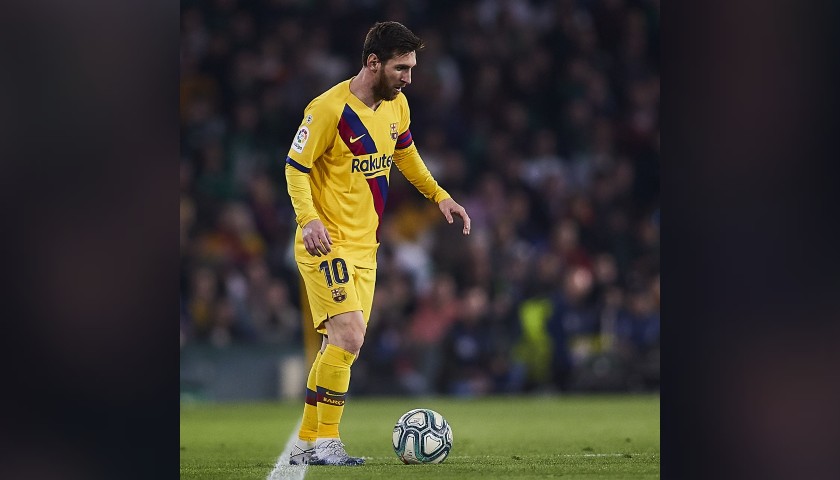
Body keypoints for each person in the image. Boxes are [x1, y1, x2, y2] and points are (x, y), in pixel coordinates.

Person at [283, 21, 471, 466]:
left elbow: (405, 154)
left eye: (411, 68)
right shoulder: (328, 108)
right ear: (373, 63)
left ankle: (305, 444)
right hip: (326, 243)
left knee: (339, 345)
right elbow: (295, 167)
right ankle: (328, 442)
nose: (409, 78)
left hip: (366, 248)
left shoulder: (397, 106)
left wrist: (439, 196)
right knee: (349, 335)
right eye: (401, 68)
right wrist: (308, 221)